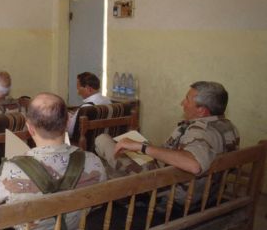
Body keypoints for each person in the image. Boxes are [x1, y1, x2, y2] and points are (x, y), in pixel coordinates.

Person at [0, 92, 107, 230]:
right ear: (68, 121)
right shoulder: (93, 162)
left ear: (30, 128)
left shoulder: (13, 171)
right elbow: (97, 203)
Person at [95, 81, 240, 204]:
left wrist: (142, 147)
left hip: (170, 186)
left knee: (103, 141)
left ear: (201, 111)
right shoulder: (228, 127)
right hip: (208, 191)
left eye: (187, 99)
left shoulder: (201, 131)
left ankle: (113, 184)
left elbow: (194, 165)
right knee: (121, 154)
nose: (182, 103)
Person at [67, 72, 111, 136]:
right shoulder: (108, 101)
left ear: (88, 89)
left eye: (79, 88)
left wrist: (67, 119)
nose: (78, 92)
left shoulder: (85, 108)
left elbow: (70, 132)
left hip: (85, 143)